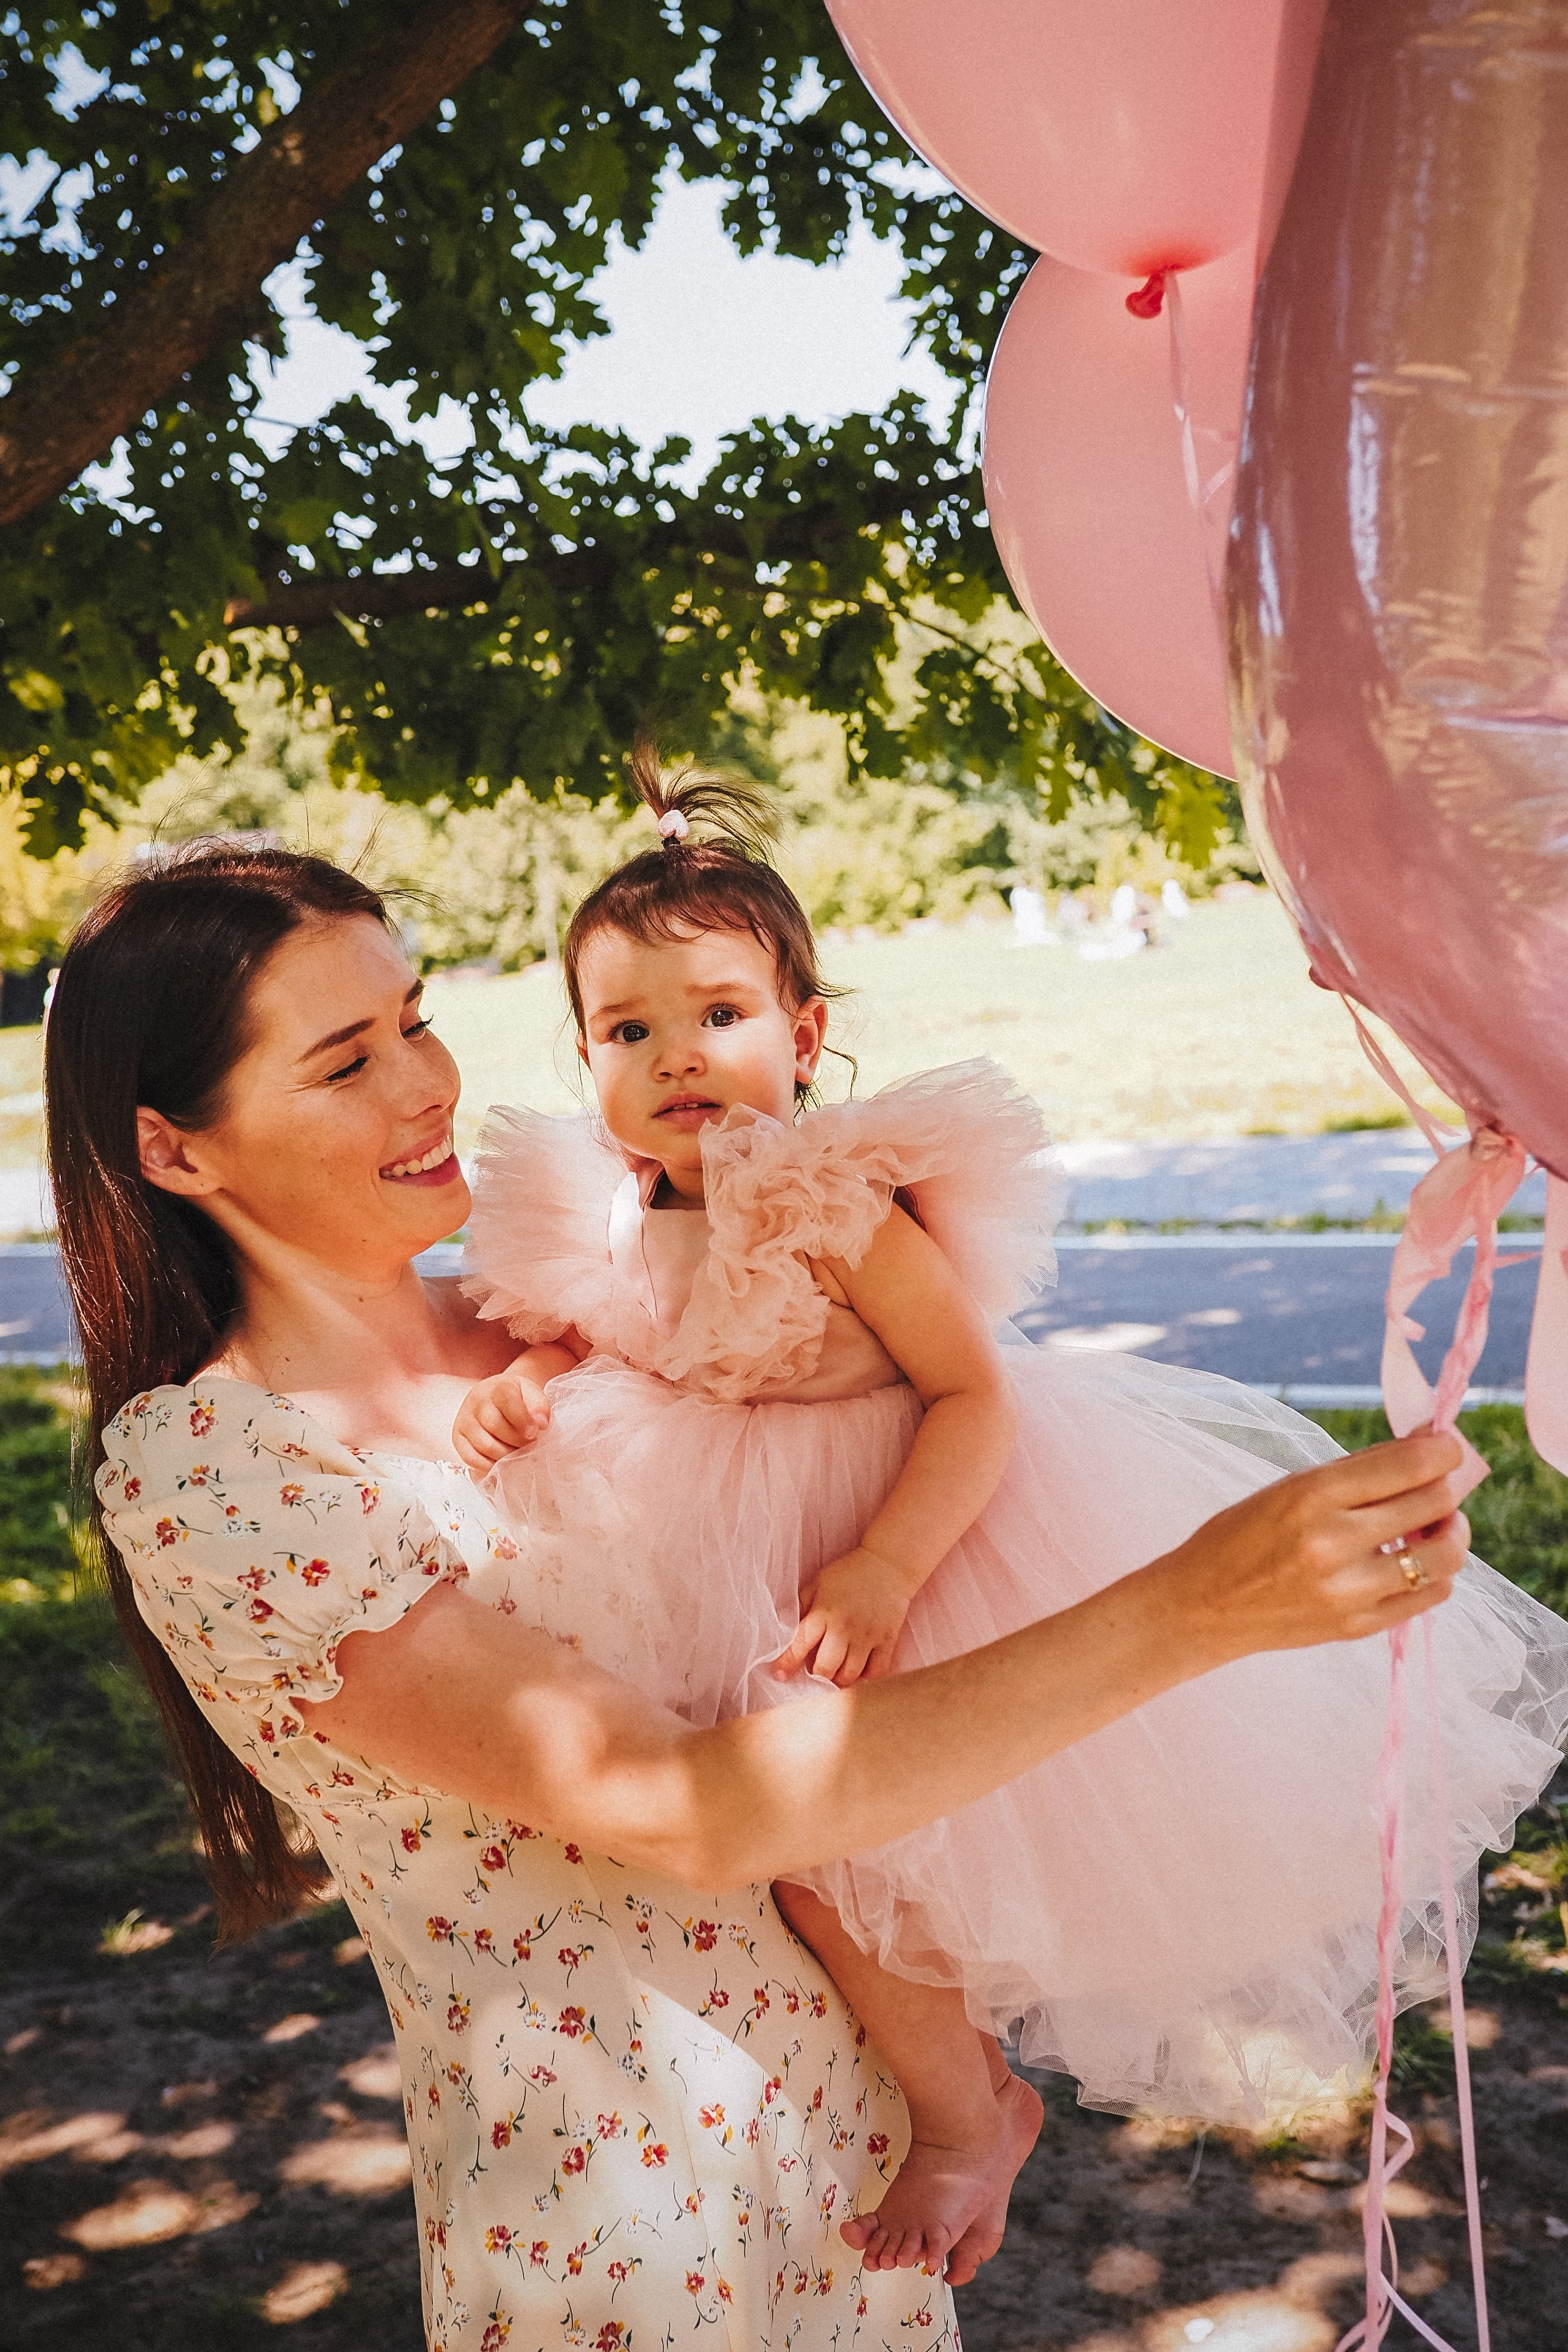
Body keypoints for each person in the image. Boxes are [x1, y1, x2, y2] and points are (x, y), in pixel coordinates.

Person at [49, 837, 1482, 2352]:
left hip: (854, 2145)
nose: (425, 1086)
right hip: (612, 2213)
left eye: (415, 1020)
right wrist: (1195, 1607)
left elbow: (922, 1455)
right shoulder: (214, 1468)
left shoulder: (568, 1312)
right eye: (344, 1063)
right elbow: (694, 1805)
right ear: (176, 1149)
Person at [451, 753, 1568, 2278]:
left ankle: (966, 2111)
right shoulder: (601, 1209)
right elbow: (600, 1334)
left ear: (804, 1032)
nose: (676, 1057)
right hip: (698, 1551)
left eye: (719, 1014)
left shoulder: (839, 1201)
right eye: (625, 1030)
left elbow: (970, 1394)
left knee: (851, 1854)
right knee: (751, 1827)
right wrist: (517, 1384)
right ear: (582, 1055)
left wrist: (886, 1564)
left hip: (893, 1539)